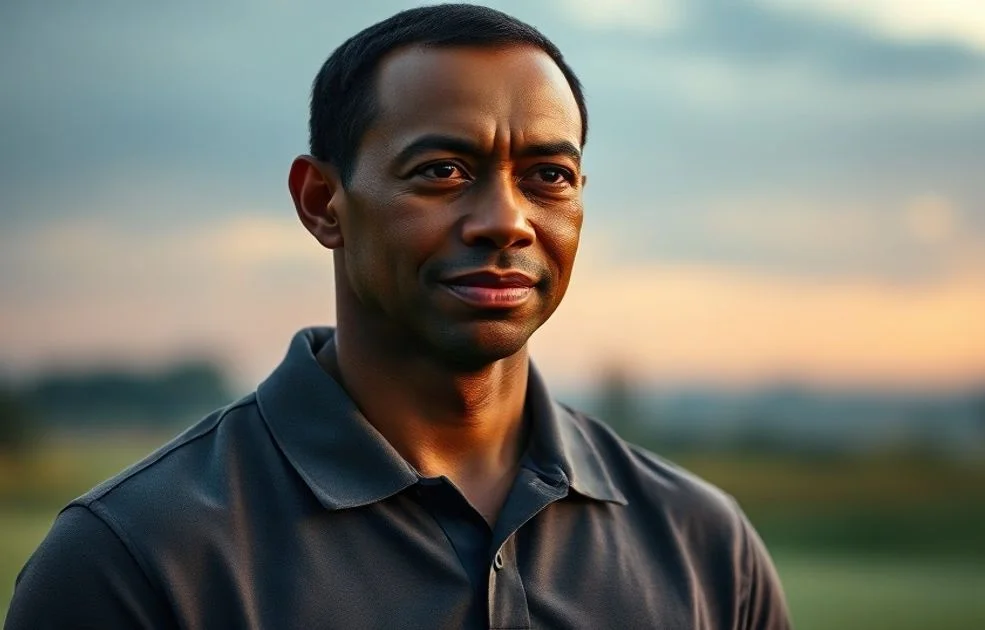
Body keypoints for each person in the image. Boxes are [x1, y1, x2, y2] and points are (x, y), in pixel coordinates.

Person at [6, 5, 792, 629]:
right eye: (442, 171)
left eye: (549, 175)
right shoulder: (138, 557)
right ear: (323, 203)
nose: (506, 221)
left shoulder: (703, 546)